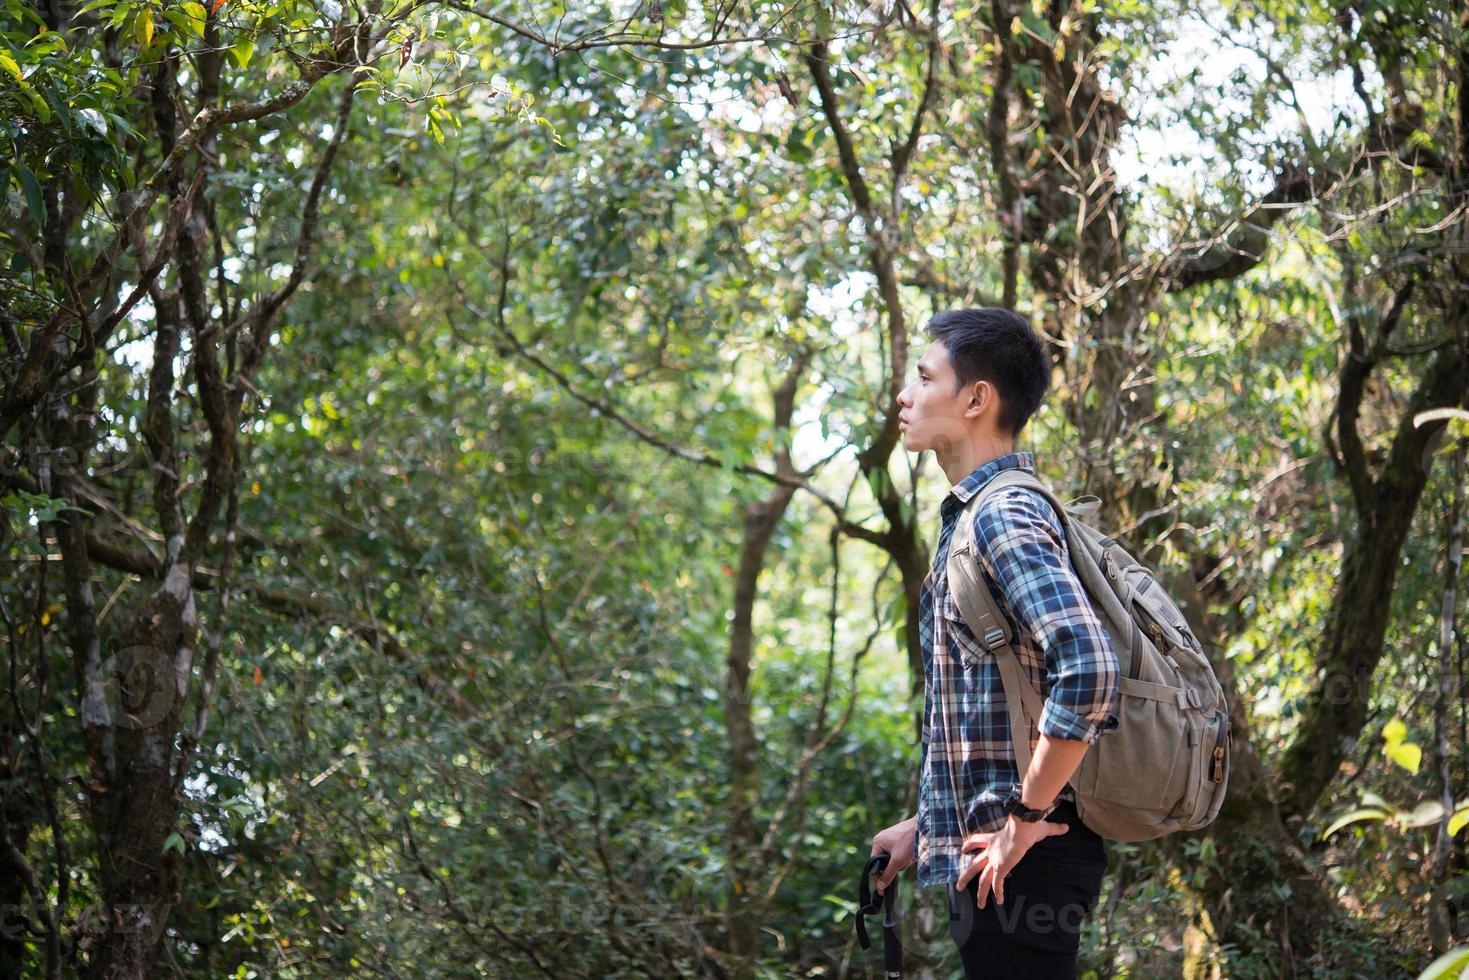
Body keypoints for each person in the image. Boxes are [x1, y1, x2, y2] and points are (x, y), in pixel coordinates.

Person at [869, 307, 1122, 979]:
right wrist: (923, 829)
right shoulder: (975, 517)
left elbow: (1090, 667)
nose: (904, 394)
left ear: (976, 399)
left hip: (1023, 863)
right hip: (1001, 860)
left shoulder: (1002, 513)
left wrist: (1024, 818)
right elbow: (993, 714)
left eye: (923, 378)